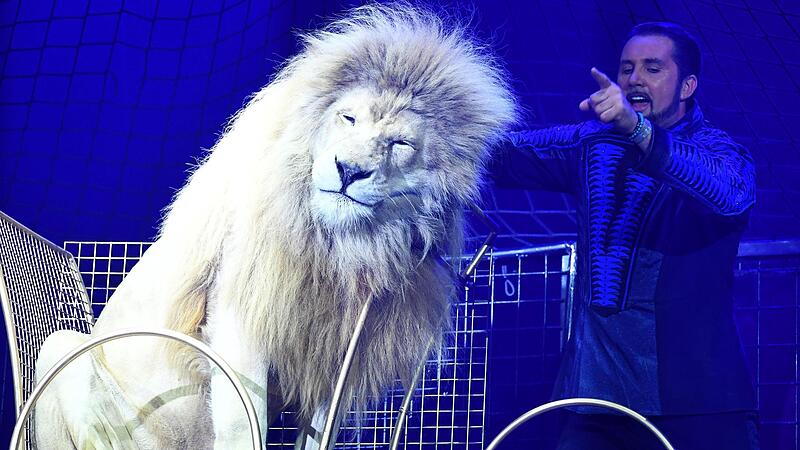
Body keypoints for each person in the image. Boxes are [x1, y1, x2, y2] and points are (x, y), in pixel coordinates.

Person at [489, 22, 759, 449]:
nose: (634, 79)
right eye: (627, 68)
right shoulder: (593, 143)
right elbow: (498, 155)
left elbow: (730, 194)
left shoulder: (719, 151)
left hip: (699, 403)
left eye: (653, 69)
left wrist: (639, 131)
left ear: (687, 85)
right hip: (596, 401)